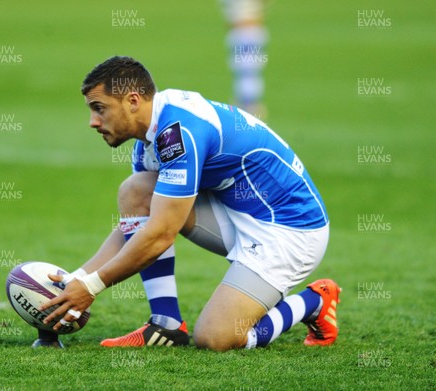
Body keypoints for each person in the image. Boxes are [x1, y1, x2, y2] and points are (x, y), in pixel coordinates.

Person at [39, 56, 340, 351]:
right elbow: (138, 226)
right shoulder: (151, 137)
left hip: (290, 232)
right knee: (137, 191)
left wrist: (92, 287)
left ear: (132, 101)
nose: (93, 122)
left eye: (99, 109)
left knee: (217, 338)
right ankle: (166, 324)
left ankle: (313, 301)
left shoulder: (178, 132)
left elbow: (159, 233)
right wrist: (77, 278)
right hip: (238, 214)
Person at [220, 0, 269, 118]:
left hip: (246, 32)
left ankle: (249, 109)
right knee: (247, 73)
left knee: (247, 73)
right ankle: (248, 109)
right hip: (245, 31)